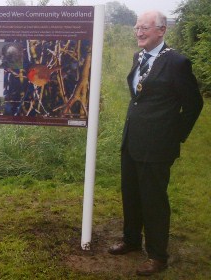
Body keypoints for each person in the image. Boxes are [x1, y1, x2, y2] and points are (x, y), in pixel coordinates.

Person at [108, 11, 203, 276]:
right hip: (132, 140)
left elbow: (194, 104)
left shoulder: (176, 62)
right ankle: (131, 240)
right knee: (131, 194)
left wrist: (174, 136)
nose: (138, 32)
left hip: (158, 145)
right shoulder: (138, 57)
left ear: (161, 30)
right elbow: (139, 97)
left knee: (153, 200)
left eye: (145, 28)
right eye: (137, 27)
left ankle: (158, 255)